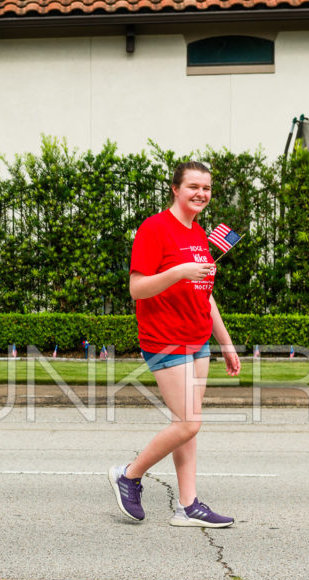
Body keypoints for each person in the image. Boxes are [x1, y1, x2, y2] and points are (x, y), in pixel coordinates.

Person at [109, 161, 240, 528]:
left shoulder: (201, 235)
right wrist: (178, 272)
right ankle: (129, 475)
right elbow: (137, 288)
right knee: (188, 423)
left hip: (198, 340)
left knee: (187, 425)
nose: (201, 193)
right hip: (165, 339)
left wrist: (225, 343)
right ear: (175, 189)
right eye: (193, 186)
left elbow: (205, 295)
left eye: (207, 188)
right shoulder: (155, 229)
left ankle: (187, 505)